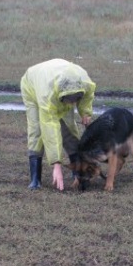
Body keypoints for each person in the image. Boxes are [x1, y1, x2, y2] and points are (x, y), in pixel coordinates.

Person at [20, 58, 96, 191]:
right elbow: (50, 128)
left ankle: (77, 173)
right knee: (37, 130)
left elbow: (87, 96)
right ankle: (35, 179)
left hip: (58, 89)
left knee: (70, 129)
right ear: (62, 97)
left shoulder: (84, 81)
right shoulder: (47, 95)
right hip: (33, 86)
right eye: (69, 101)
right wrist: (56, 164)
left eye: (75, 100)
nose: (73, 104)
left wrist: (85, 112)